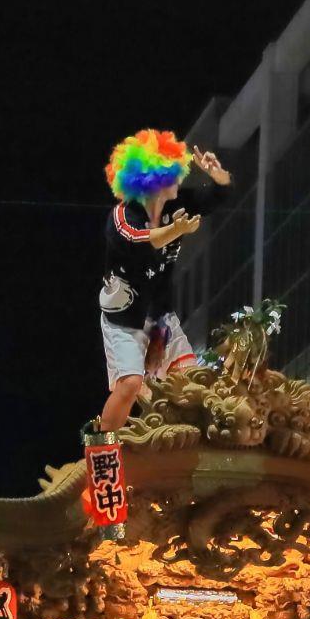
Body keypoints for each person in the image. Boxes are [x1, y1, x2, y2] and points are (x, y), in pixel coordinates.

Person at [99, 130, 231, 432]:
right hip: (124, 319)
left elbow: (216, 197)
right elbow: (142, 240)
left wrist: (218, 175)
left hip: (161, 316)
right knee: (130, 383)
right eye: (171, 173)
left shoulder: (176, 206)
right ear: (151, 181)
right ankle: (102, 449)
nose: (178, 179)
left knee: (194, 382)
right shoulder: (122, 216)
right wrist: (177, 231)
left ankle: (182, 450)